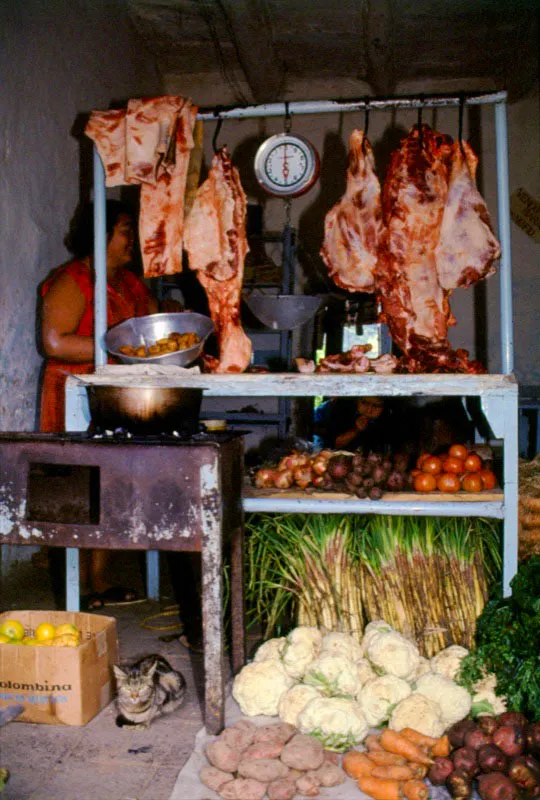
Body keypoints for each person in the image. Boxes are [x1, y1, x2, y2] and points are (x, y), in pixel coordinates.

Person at [39, 199, 160, 609]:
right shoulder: (73, 279)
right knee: (79, 490)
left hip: (117, 395)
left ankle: (100, 579)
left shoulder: (129, 283)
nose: (133, 241)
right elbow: (55, 341)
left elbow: (153, 330)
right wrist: (120, 350)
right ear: (101, 233)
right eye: (126, 231)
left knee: (113, 488)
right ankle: (79, 587)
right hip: (73, 393)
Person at [313, 396, 388, 453]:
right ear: (357, 401)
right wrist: (356, 430)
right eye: (365, 403)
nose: (369, 410)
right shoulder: (341, 412)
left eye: (376, 406)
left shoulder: (387, 419)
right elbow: (332, 445)